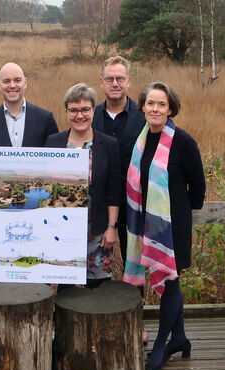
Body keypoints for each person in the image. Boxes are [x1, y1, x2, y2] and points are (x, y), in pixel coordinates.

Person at [123, 82, 206, 370]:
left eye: (161, 104)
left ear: (170, 108)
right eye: (150, 103)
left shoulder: (183, 142)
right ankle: (180, 338)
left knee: (170, 280)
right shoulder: (141, 141)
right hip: (146, 221)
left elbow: (198, 189)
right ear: (142, 107)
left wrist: (177, 211)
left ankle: (160, 345)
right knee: (174, 283)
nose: (155, 109)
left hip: (172, 226)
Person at [45, 83, 122, 290]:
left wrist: (111, 227)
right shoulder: (53, 143)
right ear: (66, 112)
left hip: (97, 232)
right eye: (74, 110)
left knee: (97, 294)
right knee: (65, 291)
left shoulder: (108, 145)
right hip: (61, 232)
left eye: (85, 110)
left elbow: (114, 190)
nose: (80, 116)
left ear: (93, 111)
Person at [93, 56, 146, 263]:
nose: (115, 83)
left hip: (134, 202)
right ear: (101, 82)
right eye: (109, 78)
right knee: (96, 264)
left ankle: (136, 295)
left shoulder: (143, 117)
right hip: (99, 201)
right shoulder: (90, 116)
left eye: (120, 78)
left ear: (129, 81)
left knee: (133, 263)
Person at [0, 62, 59, 147]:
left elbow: (56, 156)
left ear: (25, 83)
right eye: (6, 81)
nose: (12, 85)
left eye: (17, 80)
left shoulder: (45, 119)